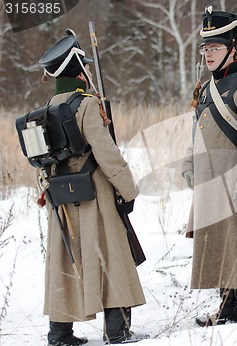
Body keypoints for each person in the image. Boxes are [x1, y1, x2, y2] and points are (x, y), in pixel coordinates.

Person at [38, 31, 147, 345]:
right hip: (94, 194)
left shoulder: (49, 105)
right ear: (78, 69)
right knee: (112, 255)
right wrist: (128, 189)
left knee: (64, 261)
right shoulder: (85, 105)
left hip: (61, 195)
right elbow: (107, 153)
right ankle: (116, 330)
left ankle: (59, 333)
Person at [180, 6, 237, 326]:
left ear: (233, 48)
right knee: (220, 246)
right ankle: (226, 305)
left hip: (235, 183)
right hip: (210, 181)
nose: (208, 55)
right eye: (205, 49)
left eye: (215, 48)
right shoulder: (207, 89)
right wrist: (189, 163)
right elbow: (198, 130)